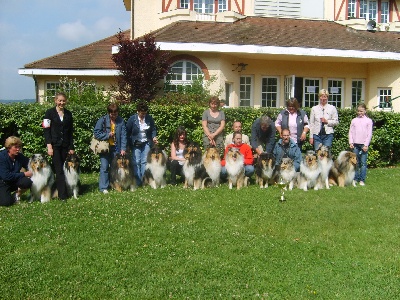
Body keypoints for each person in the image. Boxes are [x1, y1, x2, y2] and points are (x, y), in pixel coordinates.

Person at [43, 92, 75, 201]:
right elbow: (46, 130)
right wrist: (49, 146)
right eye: (59, 100)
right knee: (59, 170)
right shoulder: (49, 113)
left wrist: (71, 147)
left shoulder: (69, 114)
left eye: (63, 100)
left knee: (66, 169)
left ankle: (66, 190)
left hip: (66, 146)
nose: (62, 102)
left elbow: (70, 132)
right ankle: (62, 195)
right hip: (55, 146)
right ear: (55, 101)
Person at [93, 103, 127, 194]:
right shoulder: (102, 120)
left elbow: (124, 135)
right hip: (105, 148)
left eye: (115, 114)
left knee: (115, 168)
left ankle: (114, 184)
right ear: (109, 113)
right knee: (104, 167)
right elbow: (96, 133)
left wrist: (123, 148)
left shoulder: (121, 121)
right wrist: (107, 135)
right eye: (112, 114)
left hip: (116, 148)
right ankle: (103, 187)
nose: (114, 116)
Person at [126, 101, 158, 186]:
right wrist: (128, 145)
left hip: (146, 142)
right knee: (136, 162)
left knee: (144, 162)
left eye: (145, 113)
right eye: (141, 113)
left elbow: (153, 129)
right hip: (135, 143)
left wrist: (154, 136)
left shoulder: (149, 118)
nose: (143, 115)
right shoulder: (132, 119)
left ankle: (144, 180)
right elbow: (127, 132)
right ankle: (138, 181)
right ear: (138, 111)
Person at [0, 136, 33, 206]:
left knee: (27, 182)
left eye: (19, 147)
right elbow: (6, 176)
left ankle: (16, 195)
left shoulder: (19, 157)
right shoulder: (2, 157)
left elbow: (30, 164)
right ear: (9, 147)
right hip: (3, 182)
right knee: (6, 203)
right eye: (15, 147)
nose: (18, 149)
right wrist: (24, 174)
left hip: (14, 181)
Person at [349, 103, 373, 186]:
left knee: (363, 163)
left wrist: (366, 145)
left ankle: (362, 179)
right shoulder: (354, 120)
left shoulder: (368, 121)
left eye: (361, 111)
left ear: (365, 111)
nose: (360, 113)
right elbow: (351, 132)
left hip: (363, 145)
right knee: (356, 162)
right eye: (358, 111)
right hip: (355, 144)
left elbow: (369, 134)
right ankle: (355, 178)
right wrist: (351, 142)